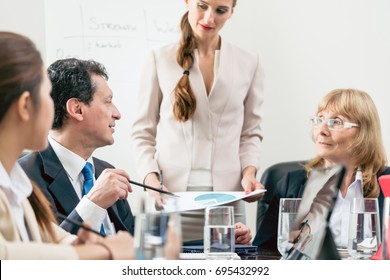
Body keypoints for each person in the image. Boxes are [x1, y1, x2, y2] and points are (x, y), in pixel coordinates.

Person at [131, 0, 264, 244]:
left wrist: (249, 173)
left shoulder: (249, 62)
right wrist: (150, 181)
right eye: (202, 6)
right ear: (187, 2)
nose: (209, 18)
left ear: (232, 12)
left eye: (220, 10)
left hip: (227, 201)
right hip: (168, 198)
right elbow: (142, 132)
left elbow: (250, 133)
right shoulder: (159, 58)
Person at [0, 31, 134, 259]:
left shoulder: (15, 183)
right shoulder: (26, 176)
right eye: (47, 96)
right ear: (25, 105)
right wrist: (105, 251)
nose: (54, 109)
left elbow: (53, 240)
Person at [253, 88, 390, 251]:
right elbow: (264, 251)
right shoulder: (291, 183)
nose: (321, 131)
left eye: (336, 122)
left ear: (363, 132)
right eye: (319, 120)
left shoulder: (386, 183)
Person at [19, 58, 135, 236]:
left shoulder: (107, 172)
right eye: (108, 101)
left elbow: (134, 244)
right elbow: (46, 256)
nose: (117, 114)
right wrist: (93, 204)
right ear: (77, 109)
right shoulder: (23, 177)